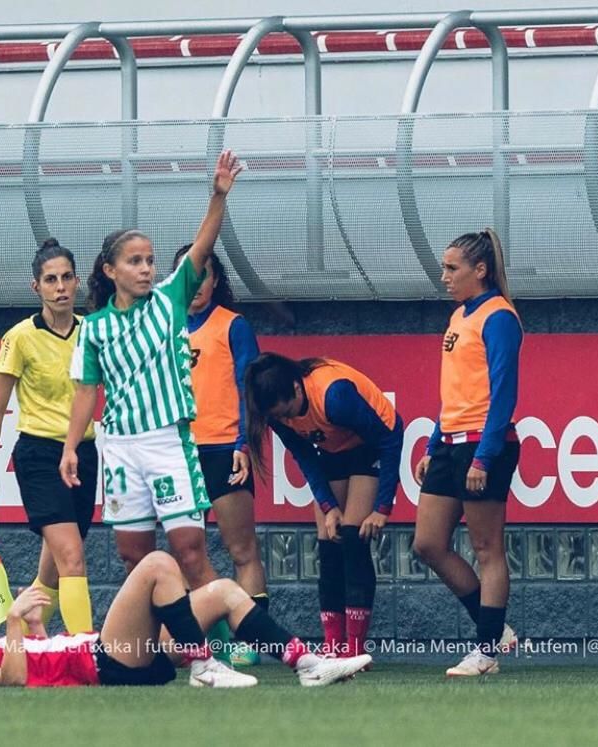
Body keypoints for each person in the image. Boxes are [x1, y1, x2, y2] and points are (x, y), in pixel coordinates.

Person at [57, 151, 241, 658]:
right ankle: (156, 648)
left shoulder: (169, 301)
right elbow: (87, 391)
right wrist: (72, 447)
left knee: (189, 550)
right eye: (134, 261)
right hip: (118, 448)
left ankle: (221, 649)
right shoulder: (92, 328)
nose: (145, 269)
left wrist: (219, 196)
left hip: (167, 442)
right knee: (134, 556)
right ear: (110, 270)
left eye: (149, 260)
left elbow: (202, 248)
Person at [0, 551, 372, 688]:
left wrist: (37, 626)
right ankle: (204, 666)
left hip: (114, 655)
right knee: (156, 565)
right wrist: (17, 624)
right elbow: (15, 680)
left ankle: (305, 665)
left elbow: (39, 663)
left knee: (225, 591)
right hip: (106, 663)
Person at [412, 228, 522, 677]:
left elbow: (502, 395)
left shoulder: (498, 317)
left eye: (452, 268)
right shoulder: (460, 316)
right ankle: (494, 628)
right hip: (451, 442)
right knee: (428, 544)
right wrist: (435, 443)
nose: (444, 276)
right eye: (444, 267)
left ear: (480, 270)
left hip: (484, 445)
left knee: (486, 548)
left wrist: (483, 458)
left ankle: (486, 652)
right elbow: (456, 392)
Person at [244, 353, 403, 659]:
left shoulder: (334, 396)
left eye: (288, 410)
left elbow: (390, 437)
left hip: (368, 446)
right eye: (279, 416)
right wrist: (328, 506)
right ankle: (333, 646)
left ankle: (355, 649)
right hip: (332, 450)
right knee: (329, 544)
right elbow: (305, 456)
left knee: (354, 539)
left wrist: (382, 507)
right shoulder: (276, 414)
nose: (287, 419)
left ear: (296, 388)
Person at [0, 238, 97, 634]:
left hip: (84, 453)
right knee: (73, 557)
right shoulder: (19, 337)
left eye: (66, 278)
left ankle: (26, 640)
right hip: (40, 456)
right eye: (50, 280)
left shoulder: (93, 331)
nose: (60, 287)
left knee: (57, 566)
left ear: (77, 282)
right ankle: (84, 650)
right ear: (36, 287)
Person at [171, 244, 267, 666]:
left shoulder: (234, 325)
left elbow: (252, 390)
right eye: (187, 277)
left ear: (216, 281)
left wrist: (243, 445)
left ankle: (256, 640)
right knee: (190, 554)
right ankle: (216, 640)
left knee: (241, 549)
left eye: (203, 275)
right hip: (178, 454)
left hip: (225, 450)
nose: (196, 285)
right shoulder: (164, 327)